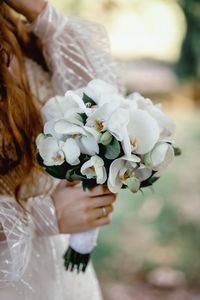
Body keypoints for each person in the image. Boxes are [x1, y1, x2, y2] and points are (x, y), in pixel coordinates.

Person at [0, 1, 120, 299]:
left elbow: (104, 100)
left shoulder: (22, 31)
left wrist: (41, 12)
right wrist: (41, 216)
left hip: (63, 275)